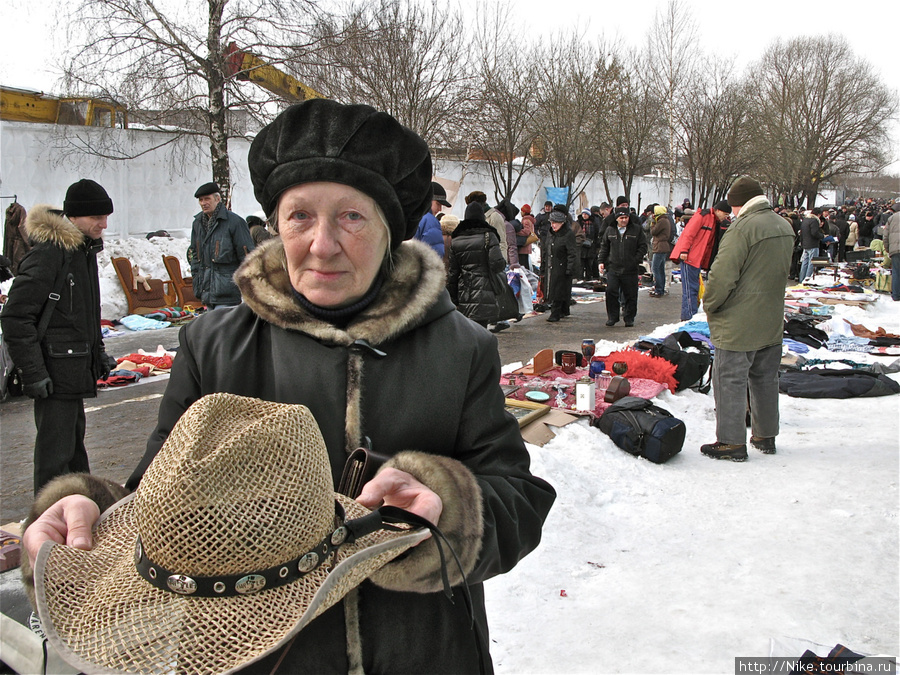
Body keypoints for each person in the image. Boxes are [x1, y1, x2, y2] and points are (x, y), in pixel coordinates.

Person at [22, 99, 556, 674]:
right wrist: (87, 517)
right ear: (276, 223)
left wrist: (450, 509)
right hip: (255, 658)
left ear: (391, 230)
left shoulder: (462, 347)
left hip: (424, 650)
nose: (322, 244)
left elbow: (518, 499)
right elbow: (155, 500)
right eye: (300, 216)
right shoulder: (213, 345)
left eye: (352, 216)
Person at [0, 179, 118, 494]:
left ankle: (81, 513)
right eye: (97, 217)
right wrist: (34, 373)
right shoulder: (50, 254)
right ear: (75, 216)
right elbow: (14, 317)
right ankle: (48, 526)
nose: (103, 224)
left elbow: (82, 314)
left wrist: (98, 354)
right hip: (53, 374)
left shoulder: (82, 250)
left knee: (74, 453)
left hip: (72, 370)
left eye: (106, 217)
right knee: (55, 461)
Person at [700, 176, 794, 461]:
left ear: (738, 203)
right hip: (771, 318)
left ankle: (731, 442)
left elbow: (721, 276)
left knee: (729, 379)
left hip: (739, 322)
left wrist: (710, 305)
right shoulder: (783, 225)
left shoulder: (742, 228)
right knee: (765, 380)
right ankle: (765, 436)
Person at [188, 182, 255, 308]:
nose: (203, 203)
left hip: (227, 294)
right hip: (206, 293)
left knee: (226, 328)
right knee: (211, 328)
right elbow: (195, 255)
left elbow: (247, 257)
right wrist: (197, 278)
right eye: (201, 200)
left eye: (207, 198)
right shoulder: (197, 224)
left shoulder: (235, 222)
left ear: (217, 199)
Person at [447, 202, 508, 327]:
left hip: (465, 291)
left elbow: (453, 273)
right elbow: (497, 264)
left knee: (469, 330)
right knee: (482, 329)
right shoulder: (488, 236)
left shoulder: (456, 240)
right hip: (485, 291)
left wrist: (453, 297)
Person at [669, 200, 731, 320]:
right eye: (725, 214)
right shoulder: (702, 216)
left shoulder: (714, 220)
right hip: (690, 258)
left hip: (696, 259)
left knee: (694, 289)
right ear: (718, 210)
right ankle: (688, 318)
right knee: (690, 290)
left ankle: (690, 315)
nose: (725, 218)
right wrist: (684, 251)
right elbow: (689, 233)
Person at [598, 206, 647, 327]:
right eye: (621, 218)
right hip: (613, 267)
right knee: (611, 292)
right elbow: (604, 247)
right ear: (616, 218)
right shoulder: (610, 230)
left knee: (631, 294)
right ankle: (613, 317)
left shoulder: (636, 230)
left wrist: (635, 260)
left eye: (626, 217)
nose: (624, 220)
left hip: (630, 268)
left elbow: (643, 246)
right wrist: (601, 261)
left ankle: (629, 317)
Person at [542, 209, 576, 322]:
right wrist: (543, 266)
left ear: (562, 223)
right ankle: (561, 310)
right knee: (552, 289)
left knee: (559, 290)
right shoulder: (551, 233)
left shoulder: (568, 234)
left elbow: (572, 253)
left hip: (561, 266)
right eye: (551, 222)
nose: (553, 225)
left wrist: (569, 268)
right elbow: (546, 249)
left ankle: (556, 313)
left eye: (555, 223)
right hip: (551, 265)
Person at [414, 181, 449, 258]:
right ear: (429, 200)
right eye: (438, 204)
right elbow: (435, 255)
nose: (440, 209)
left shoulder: (411, 216)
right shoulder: (430, 221)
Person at [648, 205, 671, 298]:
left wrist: (652, 222)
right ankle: (660, 288)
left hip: (659, 247)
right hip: (663, 246)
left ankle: (659, 289)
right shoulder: (666, 220)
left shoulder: (661, 221)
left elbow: (653, 231)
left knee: (656, 268)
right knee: (661, 269)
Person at [798, 207, 824, 282]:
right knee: (812, 263)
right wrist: (822, 236)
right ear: (818, 214)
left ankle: (801, 279)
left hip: (805, 244)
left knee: (804, 263)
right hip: (813, 244)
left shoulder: (805, 220)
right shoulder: (814, 221)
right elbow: (814, 233)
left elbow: (802, 233)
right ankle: (808, 279)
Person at [882, 202, 900, 301]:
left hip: (895, 249)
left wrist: (888, 249)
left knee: (896, 272)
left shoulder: (891, 218)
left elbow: (885, 236)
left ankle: (896, 294)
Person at [518, 203, 536, 269]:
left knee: (523, 266)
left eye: (522, 211)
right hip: (527, 245)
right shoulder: (529, 220)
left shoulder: (526, 221)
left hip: (524, 246)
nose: (521, 213)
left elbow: (526, 232)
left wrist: (517, 232)